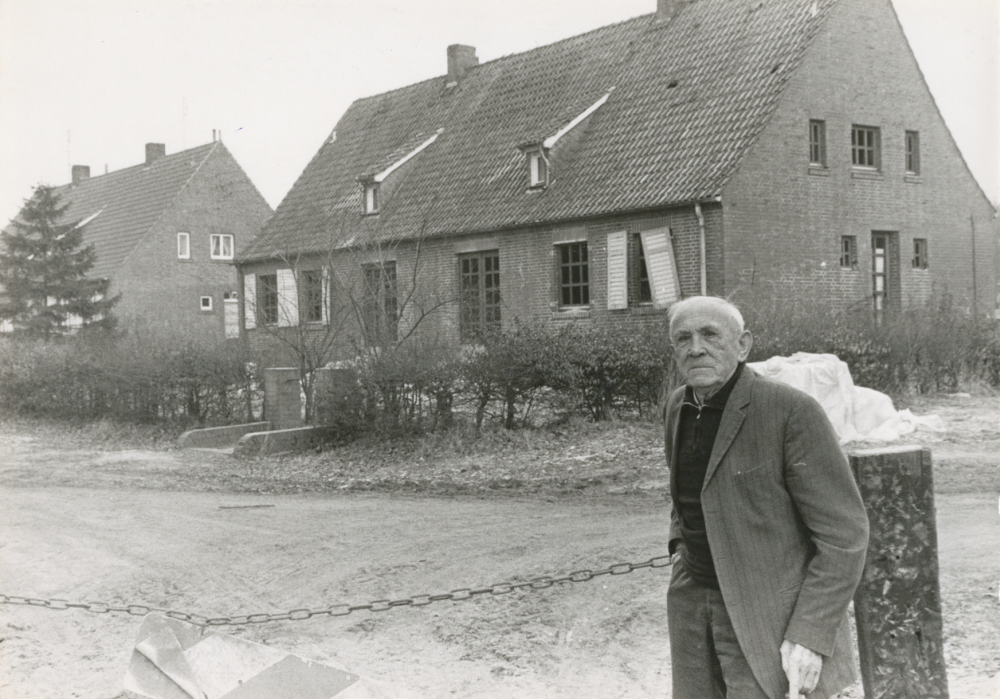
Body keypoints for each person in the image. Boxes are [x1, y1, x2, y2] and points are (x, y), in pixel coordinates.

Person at [663, 296, 869, 699]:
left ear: (743, 345)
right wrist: (678, 547)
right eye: (682, 338)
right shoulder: (677, 407)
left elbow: (845, 536)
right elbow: (686, 495)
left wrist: (810, 635)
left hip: (768, 619)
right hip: (692, 605)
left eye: (710, 335)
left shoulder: (790, 411)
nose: (695, 348)